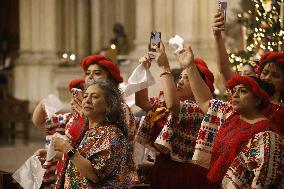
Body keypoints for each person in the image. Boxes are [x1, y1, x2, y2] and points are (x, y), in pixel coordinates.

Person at [176, 45, 283, 188]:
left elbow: (263, 180)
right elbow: (204, 102)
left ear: (258, 98)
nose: (236, 95)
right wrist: (189, 66)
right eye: (234, 90)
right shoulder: (232, 113)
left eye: (243, 91)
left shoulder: (268, 133)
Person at [135, 42, 213, 188]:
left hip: (186, 178)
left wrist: (164, 67)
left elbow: (173, 105)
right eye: (181, 77)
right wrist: (144, 69)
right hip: (163, 172)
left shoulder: (201, 111)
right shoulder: (165, 107)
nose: (180, 81)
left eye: (187, 78)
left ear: (201, 85)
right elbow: (142, 103)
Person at [52, 80, 138, 188]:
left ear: (109, 105)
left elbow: (95, 175)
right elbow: (79, 161)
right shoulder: (89, 132)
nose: (87, 100)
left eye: (95, 97)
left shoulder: (112, 133)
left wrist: (67, 148)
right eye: (85, 96)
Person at [212, 12, 284, 135]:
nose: (267, 78)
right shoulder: (247, 96)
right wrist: (217, 36)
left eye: (275, 75)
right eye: (265, 73)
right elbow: (224, 67)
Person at [32, 78, 85, 188]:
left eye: (79, 99)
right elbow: (38, 121)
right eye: (73, 98)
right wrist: (43, 104)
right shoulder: (68, 119)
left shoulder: (95, 125)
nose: (73, 103)